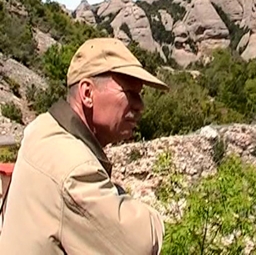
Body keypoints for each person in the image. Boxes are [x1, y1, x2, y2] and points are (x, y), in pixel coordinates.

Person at [0, 37, 169, 254]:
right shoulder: (75, 170)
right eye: (130, 93)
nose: (140, 106)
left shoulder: (42, 127)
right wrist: (150, 217)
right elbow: (140, 244)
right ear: (87, 93)